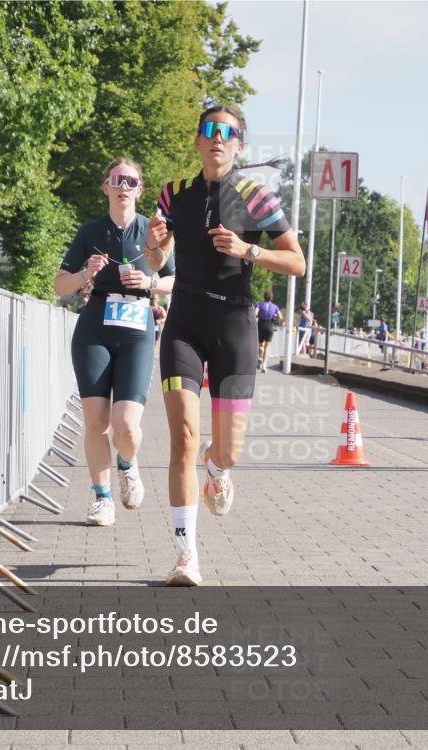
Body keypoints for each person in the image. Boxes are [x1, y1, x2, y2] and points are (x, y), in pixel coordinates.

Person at [149, 104, 305, 585]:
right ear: (198, 140)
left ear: (239, 144)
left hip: (235, 325)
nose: (217, 137)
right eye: (209, 130)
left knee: (229, 449)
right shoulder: (173, 194)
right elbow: (157, 261)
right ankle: (185, 555)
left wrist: (248, 250)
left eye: (228, 132)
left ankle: (218, 470)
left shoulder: (256, 196)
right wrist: (155, 244)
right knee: (183, 438)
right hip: (184, 324)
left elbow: (297, 262)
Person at [54, 157, 175, 527]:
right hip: (95, 328)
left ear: (140, 190)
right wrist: (85, 274)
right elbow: (60, 285)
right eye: (117, 180)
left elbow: (177, 281)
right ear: (105, 187)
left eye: (131, 181)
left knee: (125, 426)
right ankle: (102, 498)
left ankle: (126, 461)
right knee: (96, 422)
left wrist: (151, 283)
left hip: (137, 330)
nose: (123, 186)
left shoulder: (153, 230)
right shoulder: (90, 231)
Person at [256, 290, 282, 373]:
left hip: (261, 326)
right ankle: (264, 365)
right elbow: (280, 317)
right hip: (269, 326)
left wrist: (259, 315)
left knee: (261, 345)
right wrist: (274, 316)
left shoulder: (259, 304)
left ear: (264, 297)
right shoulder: (275, 307)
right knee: (267, 346)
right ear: (271, 298)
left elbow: (255, 313)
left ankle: (260, 358)